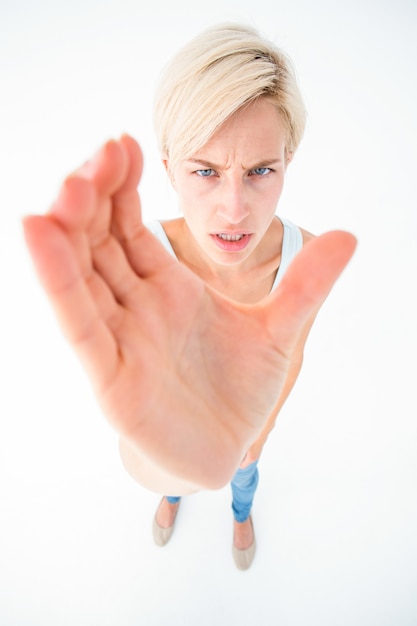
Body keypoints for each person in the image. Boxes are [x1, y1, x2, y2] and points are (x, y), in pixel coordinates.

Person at [23, 23, 356, 571]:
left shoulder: (305, 264)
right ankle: (173, 494)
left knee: (244, 479)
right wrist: (166, 455)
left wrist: (258, 433)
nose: (233, 210)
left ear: (287, 162)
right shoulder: (143, 262)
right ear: (169, 169)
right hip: (170, 454)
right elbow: (144, 404)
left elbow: (292, 355)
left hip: (252, 428)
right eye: (205, 171)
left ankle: (242, 513)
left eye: (259, 171)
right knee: (178, 477)